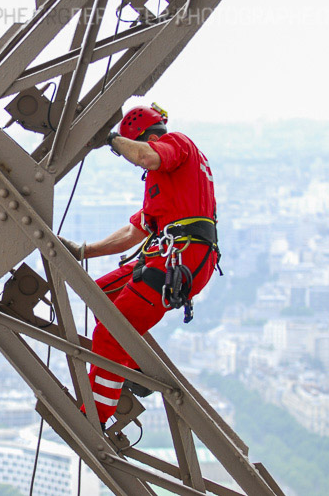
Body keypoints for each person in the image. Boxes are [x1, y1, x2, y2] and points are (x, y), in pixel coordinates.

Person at [60, 103, 220, 425]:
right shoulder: (166, 180)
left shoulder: (178, 145)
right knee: (99, 296)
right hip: (172, 258)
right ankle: (131, 366)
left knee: (109, 332)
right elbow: (136, 230)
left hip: (180, 259)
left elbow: (146, 156)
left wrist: (110, 139)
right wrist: (84, 251)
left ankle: (95, 416)